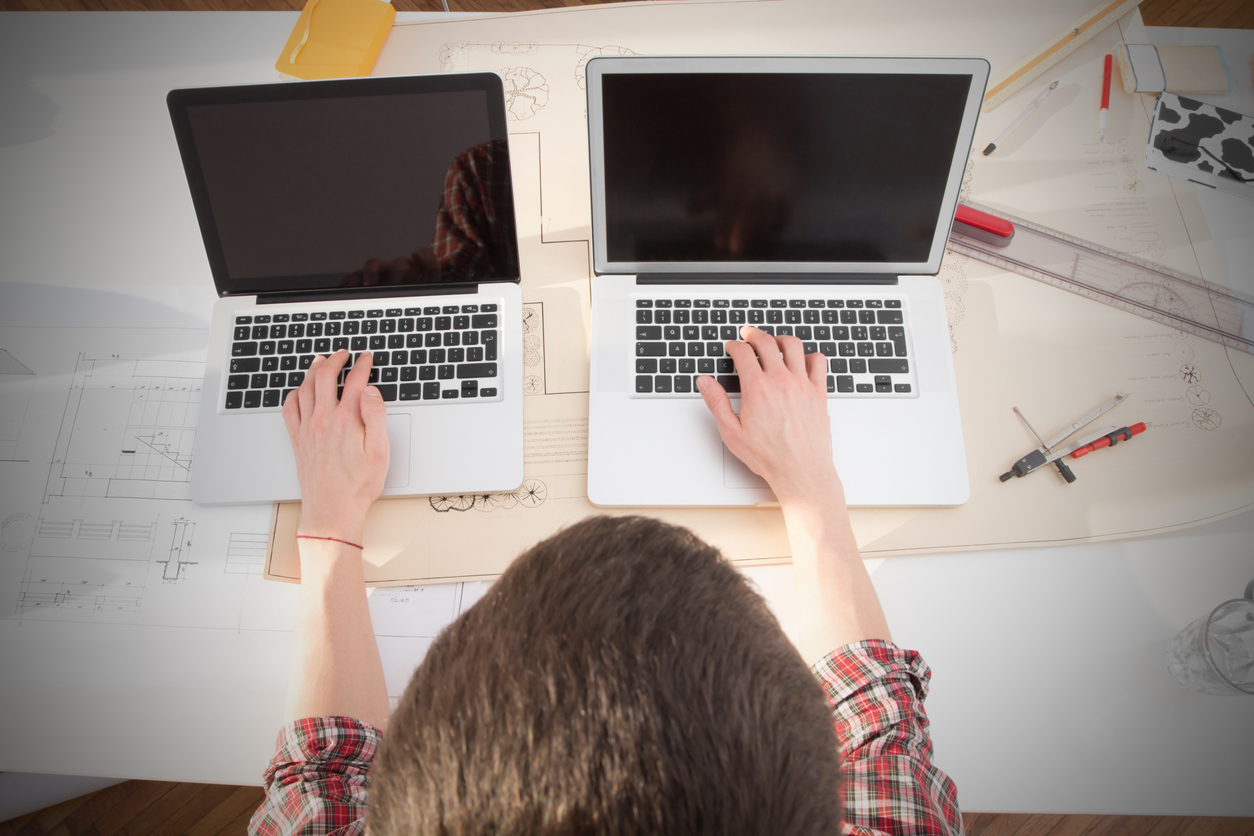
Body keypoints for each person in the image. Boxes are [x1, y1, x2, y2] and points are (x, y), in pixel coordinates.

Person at [250, 327, 961, 836]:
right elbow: (877, 717)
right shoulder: (892, 818)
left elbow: (323, 769)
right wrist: (810, 483)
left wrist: (331, 521)